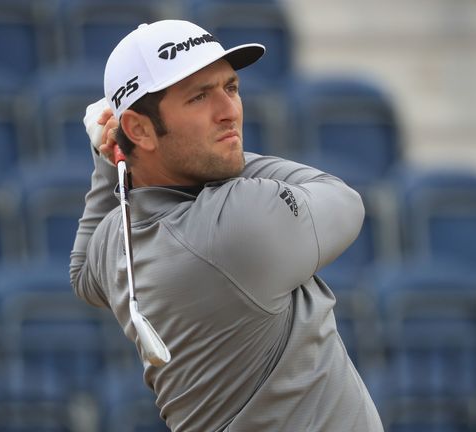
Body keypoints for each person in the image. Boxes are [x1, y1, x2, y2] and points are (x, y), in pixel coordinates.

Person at [70, 19, 383, 432]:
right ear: (140, 128)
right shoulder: (235, 225)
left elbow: (81, 273)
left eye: (231, 88)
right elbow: (343, 200)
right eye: (199, 97)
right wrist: (122, 157)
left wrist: (113, 162)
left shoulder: (116, 238)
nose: (229, 112)